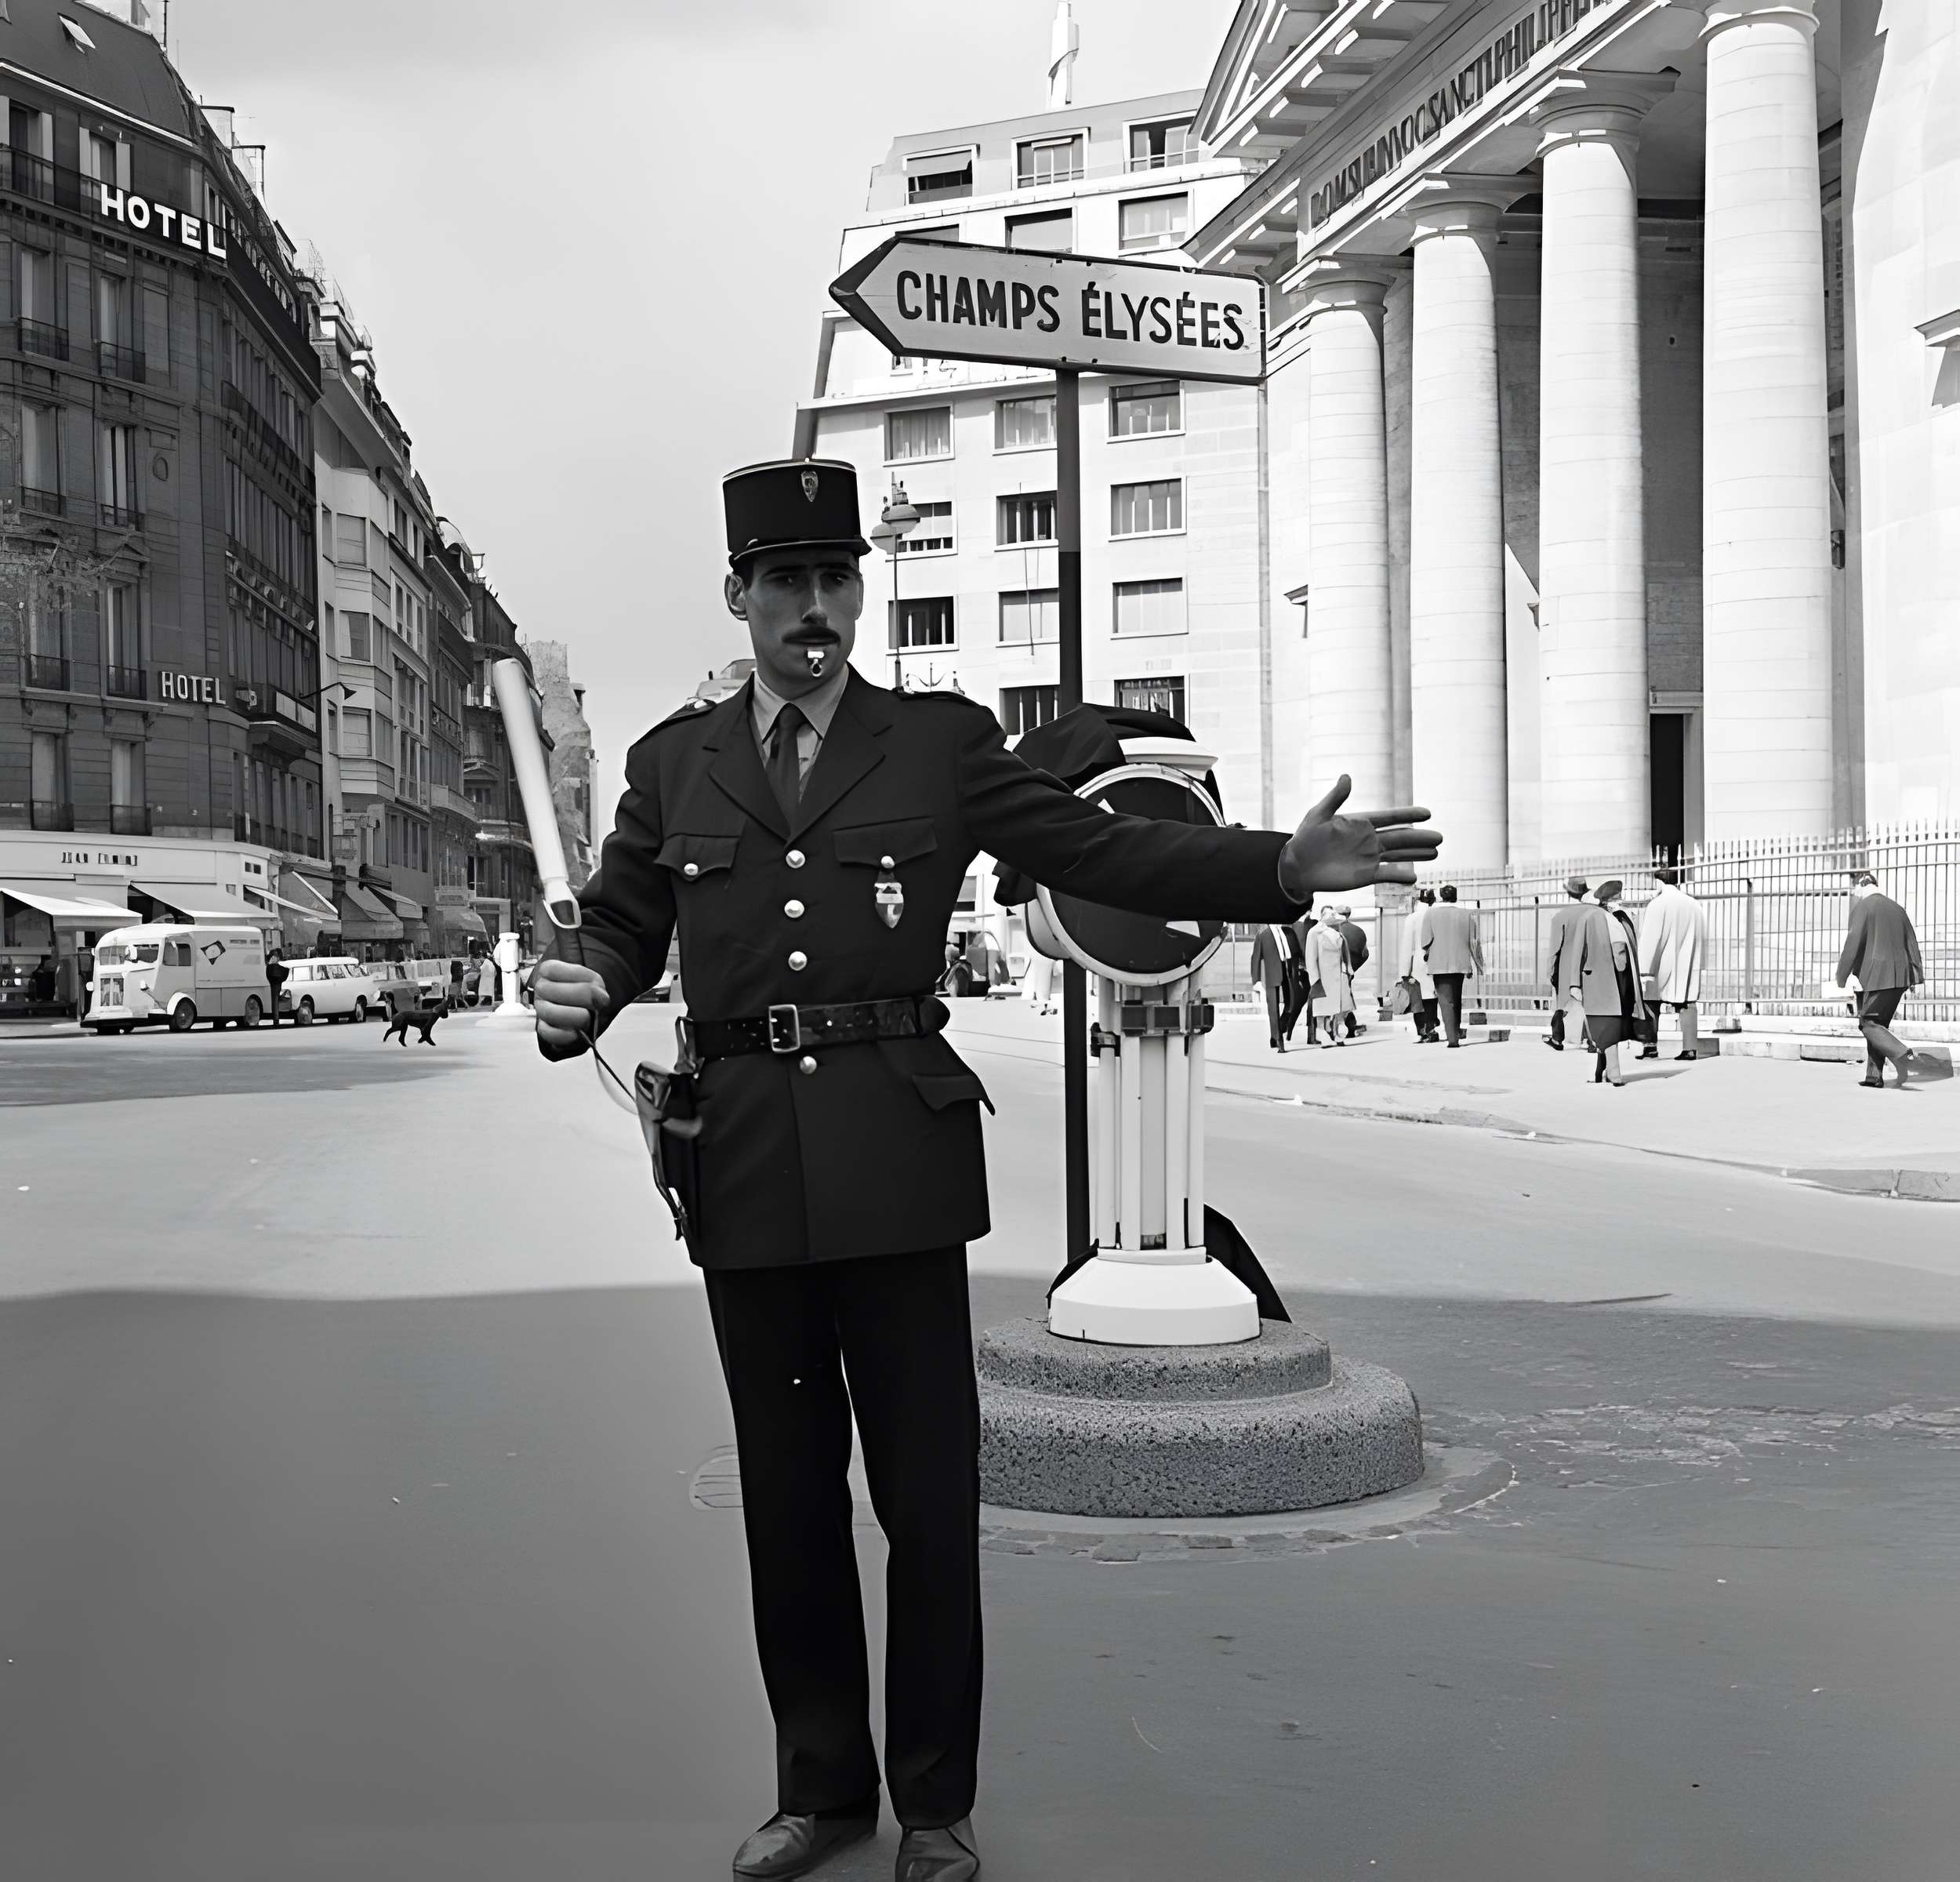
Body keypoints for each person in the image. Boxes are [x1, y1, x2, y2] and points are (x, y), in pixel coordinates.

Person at [528, 456, 1443, 1882]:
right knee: (788, 1499)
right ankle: (820, 1791)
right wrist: (577, 980)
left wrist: (1279, 866)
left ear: (860, 590)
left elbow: (1107, 847)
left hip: (895, 1158)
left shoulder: (938, 745)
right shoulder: (669, 763)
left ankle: (937, 1809)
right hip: (750, 1171)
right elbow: (619, 924)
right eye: (786, 585)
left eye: (835, 581)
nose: (814, 610)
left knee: (928, 1499)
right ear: (742, 599)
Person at [1836, 871, 1924, 1088]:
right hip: (1901, 976)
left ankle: (1902, 1054)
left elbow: (1853, 943)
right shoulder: (1897, 908)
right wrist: (1915, 974)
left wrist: (1841, 976)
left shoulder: (1864, 907)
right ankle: (1874, 1076)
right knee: (1879, 1024)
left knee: (1868, 1023)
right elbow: (1911, 940)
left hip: (1877, 975)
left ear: (1861, 886)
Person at [1637, 866, 1705, 1060]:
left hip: (1661, 963)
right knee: (1687, 1003)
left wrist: (1644, 969)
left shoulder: (1657, 904)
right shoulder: (1693, 904)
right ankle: (1690, 1049)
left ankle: (1650, 1046)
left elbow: (1651, 938)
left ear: (1659, 882)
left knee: (1651, 1002)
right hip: (1687, 961)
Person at [1570, 892, 1638, 1086]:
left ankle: (1608, 1072)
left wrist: (1575, 983)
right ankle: (1606, 1072)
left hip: (1595, 981)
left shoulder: (1588, 918)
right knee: (1607, 1024)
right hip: (1614, 982)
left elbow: (1577, 952)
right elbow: (1621, 955)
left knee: (1603, 1025)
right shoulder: (1615, 919)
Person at [1596, 881, 1656, 1056]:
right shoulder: (1623, 918)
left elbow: (1619, 951)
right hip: (1625, 974)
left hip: (1615, 974)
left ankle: (1605, 1052)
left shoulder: (1611, 918)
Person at [1421, 885, 1483, 1048]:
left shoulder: (1431, 914)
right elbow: (1475, 942)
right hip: (1461, 963)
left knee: (1445, 1001)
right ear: (1455, 897)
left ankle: (1452, 1039)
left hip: (1439, 964)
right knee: (1456, 999)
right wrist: (1478, 965)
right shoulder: (1467, 914)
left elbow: (1425, 941)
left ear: (1442, 897)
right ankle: (1455, 1031)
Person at [1540, 877, 1589, 1052]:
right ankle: (1592, 1040)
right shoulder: (1597, 913)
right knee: (1590, 1003)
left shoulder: (1561, 916)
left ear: (1569, 893)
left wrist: (1550, 970)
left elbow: (1554, 947)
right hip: (1591, 963)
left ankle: (1557, 1038)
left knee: (1562, 1003)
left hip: (1567, 966)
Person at [1307, 904, 1353, 1047]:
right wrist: (1315, 979)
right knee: (1322, 1008)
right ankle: (1322, 1032)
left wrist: (1348, 970)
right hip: (1323, 977)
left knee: (1339, 1007)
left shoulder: (1338, 933)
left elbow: (1345, 955)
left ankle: (1338, 1032)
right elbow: (1310, 958)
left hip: (1338, 976)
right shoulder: (1315, 932)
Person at [1399, 888, 1438, 1041]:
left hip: (1418, 965)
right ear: (1433, 900)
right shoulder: (1436, 916)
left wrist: (1404, 971)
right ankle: (1432, 1028)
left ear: (1418, 901)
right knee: (1432, 997)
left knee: (1418, 999)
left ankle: (1423, 1031)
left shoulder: (1412, 918)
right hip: (1436, 962)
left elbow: (1407, 947)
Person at [1250, 921, 1295, 1052]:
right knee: (1273, 1010)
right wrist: (1256, 980)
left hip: (1286, 973)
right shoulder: (1263, 935)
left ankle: (1277, 1030)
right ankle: (1278, 1040)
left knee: (1291, 1004)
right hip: (1271, 975)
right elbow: (1255, 958)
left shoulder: (1285, 932)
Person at [1334, 903, 1369, 1036]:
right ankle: (1350, 1025)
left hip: (1334, 970)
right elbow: (1365, 955)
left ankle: (1341, 1026)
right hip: (1349, 971)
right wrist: (1353, 967)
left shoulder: (1334, 930)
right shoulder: (1359, 931)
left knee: (1337, 999)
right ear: (1349, 915)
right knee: (1347, 996)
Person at [266, 948, 289, 1028]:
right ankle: (276, 1019)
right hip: (276, 985)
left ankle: (276, 1019)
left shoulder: (272, 967)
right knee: (275, 1002)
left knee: (275, 1002)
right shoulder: (277, 967)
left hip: (274, 985)